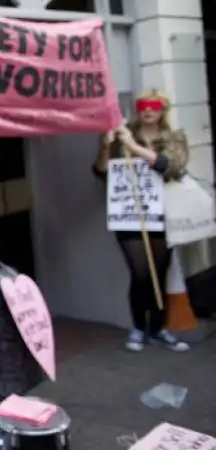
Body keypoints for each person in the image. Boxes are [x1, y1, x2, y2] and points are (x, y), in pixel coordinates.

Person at [93, 90, 190, 353]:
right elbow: (101, 171)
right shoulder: (123, 136)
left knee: (160, 272)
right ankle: (138, 327)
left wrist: (136, 149)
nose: (148, 110)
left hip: (163, 214)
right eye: (143, 106)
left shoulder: (174, 138)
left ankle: (159, 328)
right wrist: (105, 145)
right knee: (140, 273)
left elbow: (172, 166)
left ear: (162, 110)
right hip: (129, 215)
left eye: (154, 106)